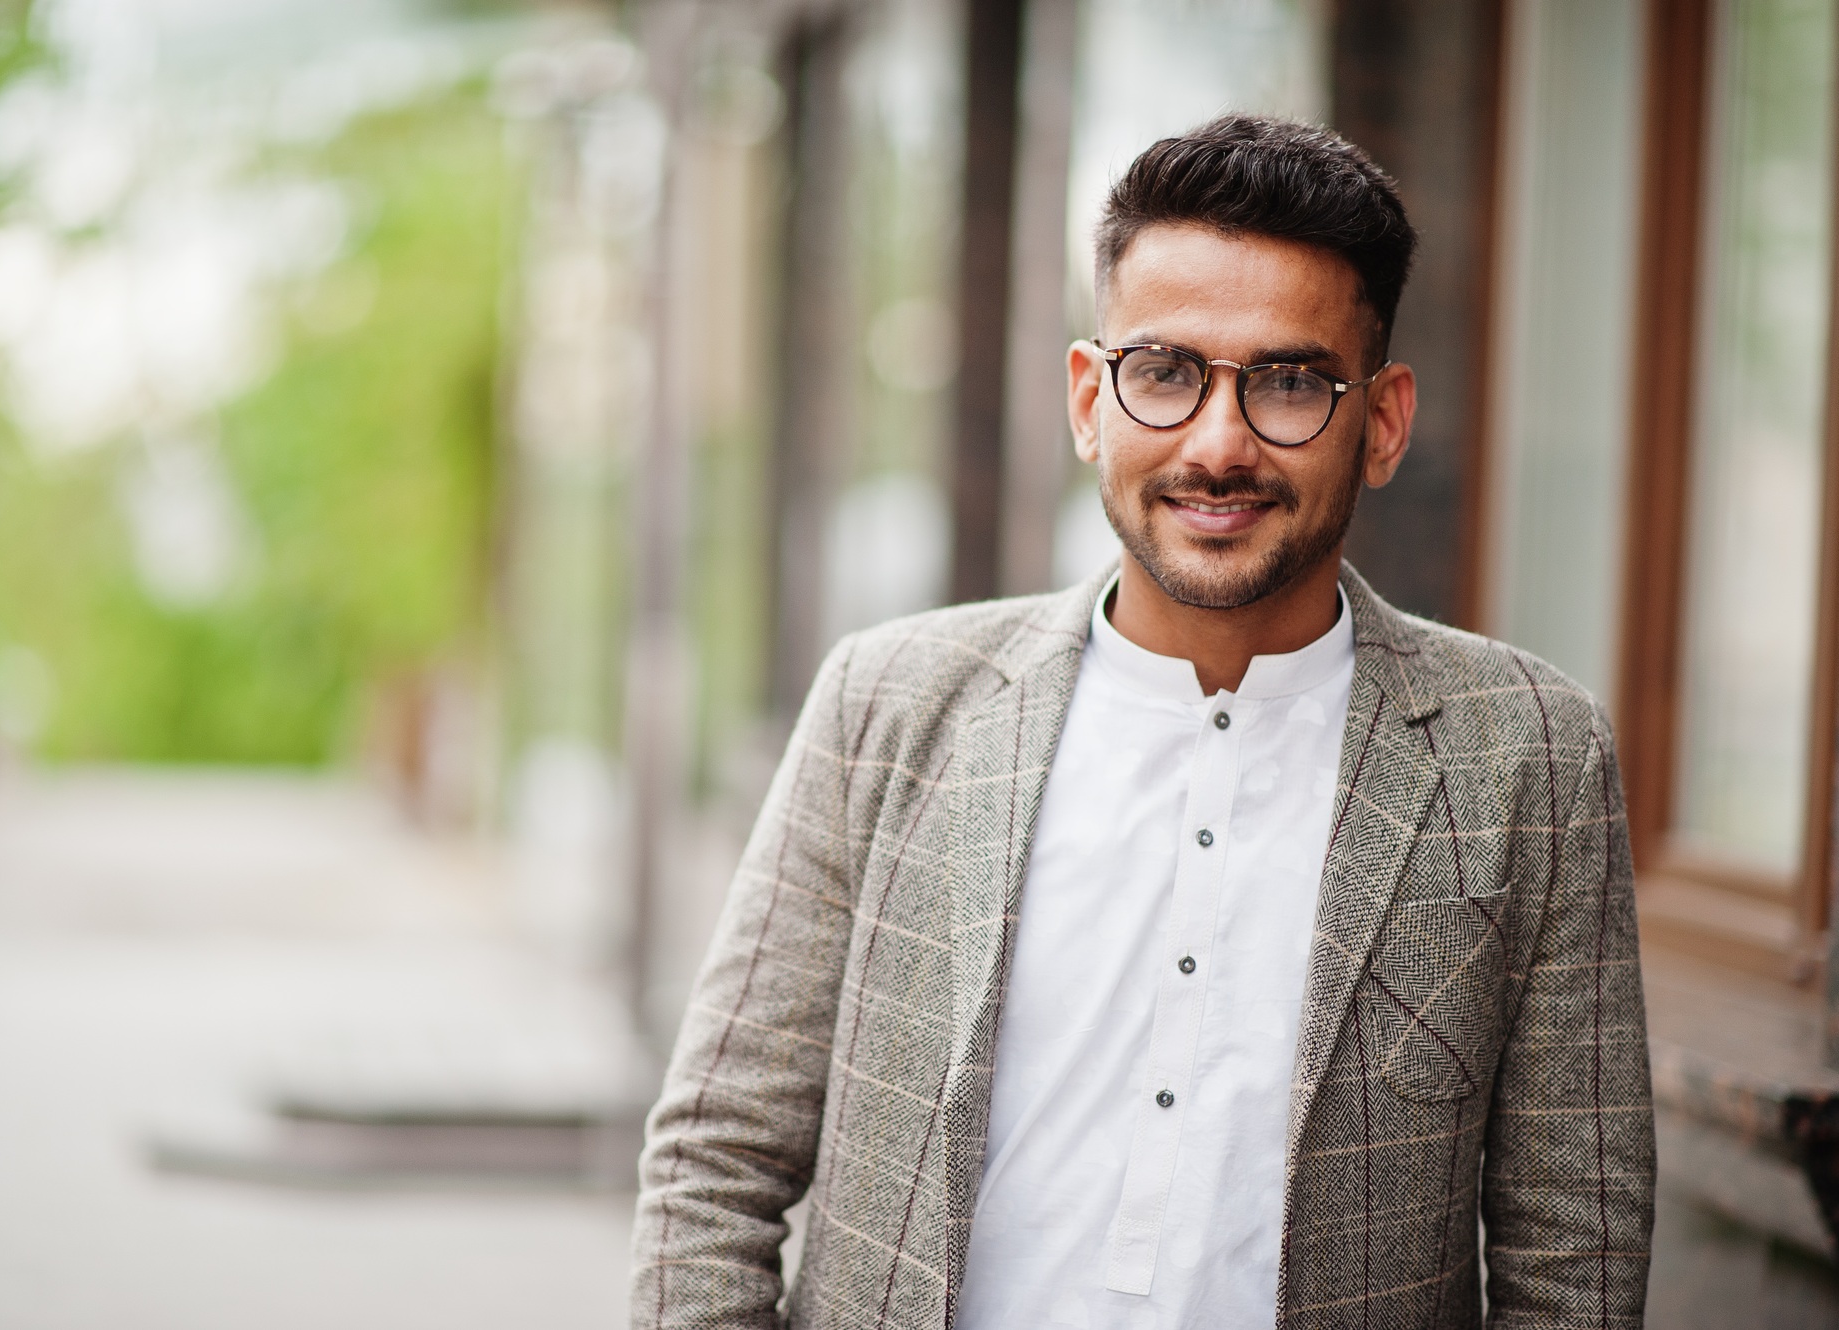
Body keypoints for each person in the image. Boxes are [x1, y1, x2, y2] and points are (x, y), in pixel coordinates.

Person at [630, 113, 1653, 1329]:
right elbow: (714, 1165)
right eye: (1163, 373)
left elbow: (1573, 1250)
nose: (1216, 445)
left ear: (1379, 421)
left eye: (1287, 382)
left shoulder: (1527, 754)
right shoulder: (891, 704)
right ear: (1087, 398)